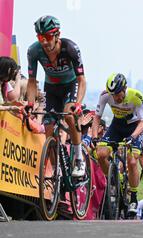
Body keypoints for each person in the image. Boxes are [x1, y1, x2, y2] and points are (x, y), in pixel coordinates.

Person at [26, 16, 87, 177]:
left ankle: (79, 159)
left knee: (69, 115)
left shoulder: (71, 48)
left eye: (47, 37)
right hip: (51, 88)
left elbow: (81, 80)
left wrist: (78, 104)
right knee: (48, 130)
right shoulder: (34, 51)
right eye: (40, 37)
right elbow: (32, 81)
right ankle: (56, 170)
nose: (44, 42)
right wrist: (30, 104)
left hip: (70, 85)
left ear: (57, 34)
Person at [92, 73, 143, 217]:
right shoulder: (105, 95)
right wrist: (94, 137)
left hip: (133, 128)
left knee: (132, 161)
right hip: (116, 126)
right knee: (101, 154)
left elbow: (142, 122)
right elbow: (97, 118)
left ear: (124, 88)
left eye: (118, 94)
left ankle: (133, 197)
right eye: (113, 95)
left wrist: (133, 136)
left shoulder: (136, 96)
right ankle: (113, 179)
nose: (115, 98)